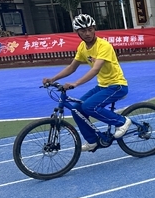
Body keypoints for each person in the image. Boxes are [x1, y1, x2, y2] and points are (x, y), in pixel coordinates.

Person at [42, 14, 131, 152]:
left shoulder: (104, 46)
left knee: (89, 106)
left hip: (117, 85)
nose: (87, 33)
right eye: (83, 30)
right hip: (102, 86)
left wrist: (76, 83)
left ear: (94, 28)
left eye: (90, 29)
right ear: (77, 32)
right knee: (77, 109)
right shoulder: (82, 47)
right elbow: (72, 67)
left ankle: (122, 122)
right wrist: (53, 79)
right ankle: (92, 140)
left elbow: (95, 69)